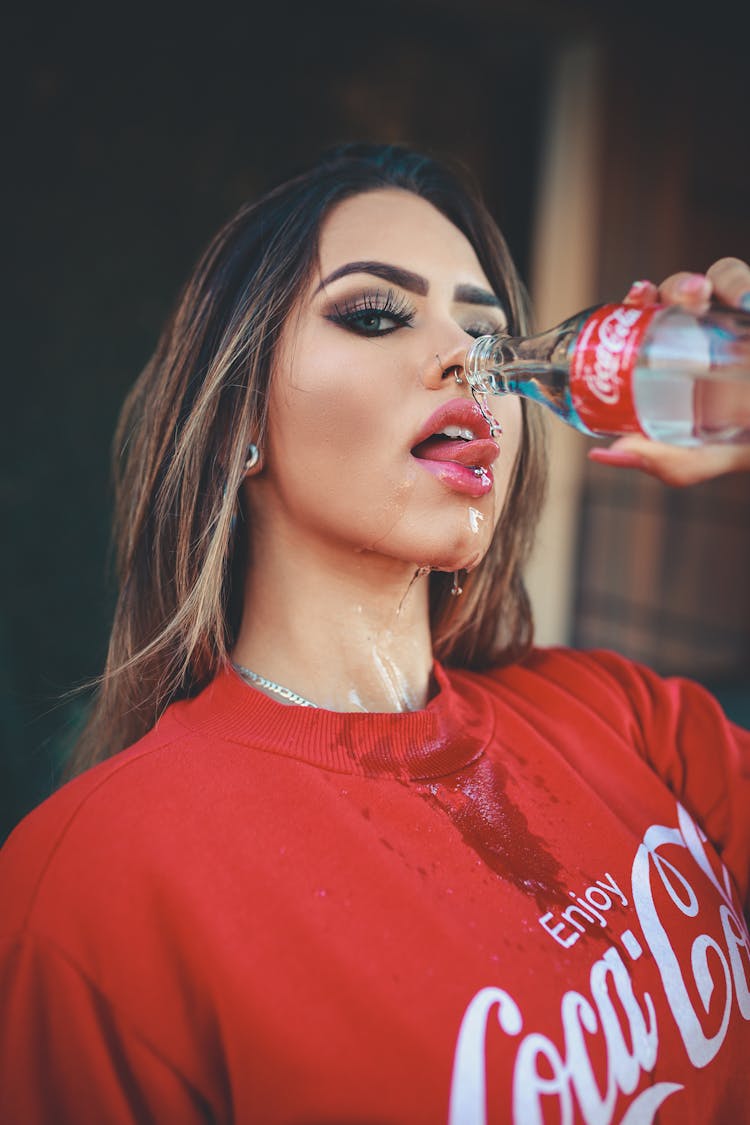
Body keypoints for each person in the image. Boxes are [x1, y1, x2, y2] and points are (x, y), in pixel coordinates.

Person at [1, 143, 749, 1125]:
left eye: (488, 331)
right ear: (236, 426)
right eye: (375, 314)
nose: (463, 360)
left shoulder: (628, 719)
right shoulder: (96, 885)